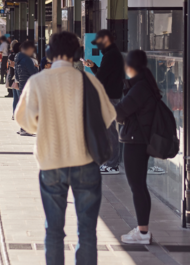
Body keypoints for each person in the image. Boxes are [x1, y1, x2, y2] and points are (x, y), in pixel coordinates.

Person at [15, 31, 116, 265]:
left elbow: (24, 121)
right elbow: (109, 117)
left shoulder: (39, 81)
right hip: (86, 163)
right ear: (78, 53)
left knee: (53, 231)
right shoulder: (89, 81)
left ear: (49, 53)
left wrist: (45, 124)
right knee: (87, 231)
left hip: (51, 164)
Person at [114, 50, 160, 245]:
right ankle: (142, 230)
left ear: (130, 66)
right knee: (139, 185)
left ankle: (142, 232)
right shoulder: (143, 84)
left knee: (137, 186)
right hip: (139, 139)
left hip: (136, 141)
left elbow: (120, 111)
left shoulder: (140, 87)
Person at [83, 29, 125, 175]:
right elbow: (103, 75)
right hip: (111, 95)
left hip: (109, 96)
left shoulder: (111, 55)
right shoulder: (112, 54)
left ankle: (113, 164)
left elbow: (101, 77)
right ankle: (110, 162)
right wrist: (93, 67)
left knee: (110, 130)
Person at [14, 40, 38, 136]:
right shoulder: (27, 59)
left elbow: (16, 73)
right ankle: (25, 128)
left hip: (21, 84)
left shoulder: (17, 58)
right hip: (29, 84)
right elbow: (33, 72)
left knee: (24, 107)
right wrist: (36, 67)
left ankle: (22, 127)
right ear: (29, 49)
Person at [7, 40, 20, 116]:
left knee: (15, 98)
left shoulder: (10, 55)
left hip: (12, 78)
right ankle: (17, 114)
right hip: (18, 79)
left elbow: (9, 66)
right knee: (19, 98)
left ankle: (14, 113)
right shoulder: (19, 56)